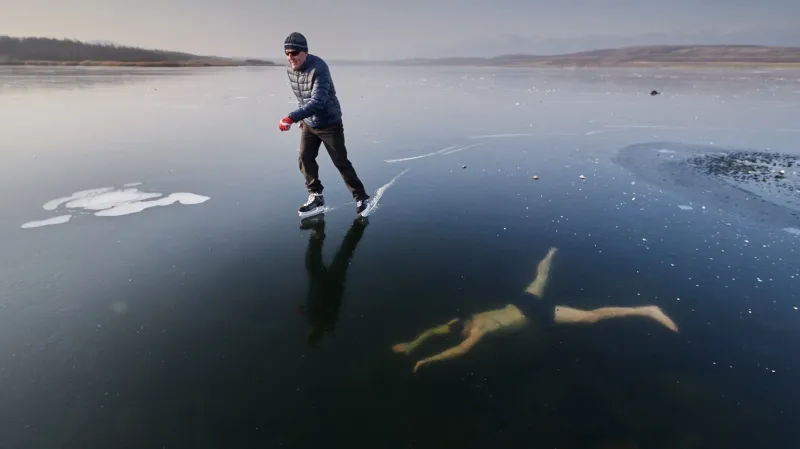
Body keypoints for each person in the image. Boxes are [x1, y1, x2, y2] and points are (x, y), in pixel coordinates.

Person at [392, 247, 679, 373]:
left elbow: (460, 350)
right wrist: (411, 344)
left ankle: (646, 310)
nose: (456, 331)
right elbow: (433, 330)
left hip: (535, 314)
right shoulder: (461, 319)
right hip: (520, 303)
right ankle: (551, 252)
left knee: (591, 318)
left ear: (464, 328)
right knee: (539, 278)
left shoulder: (477, 329)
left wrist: (426, 360)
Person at [278, 32, 373, 216]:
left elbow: (317, 101)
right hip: (309, 122)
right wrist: (302, 118)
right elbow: (302, 96)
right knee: (305, 159)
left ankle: (361, 197)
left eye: (295, 52)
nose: (291, 57)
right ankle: (316, 197)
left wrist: (292, 117)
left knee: (340, 162)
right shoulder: (291, 70)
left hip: (329, 123)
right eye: (287, 53)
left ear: (305, 51)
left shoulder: (319, 68)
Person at [294, 215, 369, 346]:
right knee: (312, 261)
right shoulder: (312, 319)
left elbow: (312, 313)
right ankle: (318, 232)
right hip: (322, 284)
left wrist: (301, 311)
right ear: (311, 333)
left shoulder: (328, 324)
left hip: (335, 286)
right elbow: (304, 311)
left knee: (344, 254)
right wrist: (300, 310)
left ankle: (360, 224)